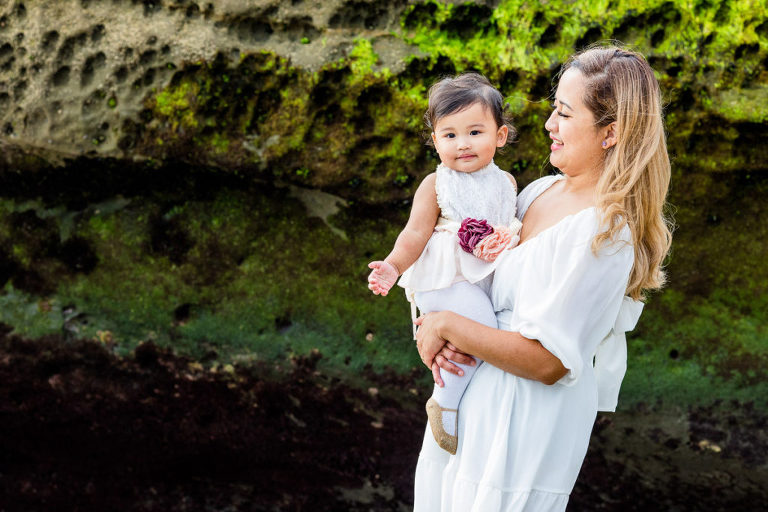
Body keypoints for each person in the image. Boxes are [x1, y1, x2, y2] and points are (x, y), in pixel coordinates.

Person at [412, 44, 673, 511]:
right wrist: (430, 327)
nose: (550, 125)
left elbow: (549, 361)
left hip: (524, 421)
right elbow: (470, 274)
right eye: (554, 110)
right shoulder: (536, 192)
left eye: (565, 114)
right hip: (469, 404)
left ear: (610, 132)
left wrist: (448, 326)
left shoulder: (605, 231)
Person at [367, 73, 522, 455]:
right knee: (482, 331)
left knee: (482, 338)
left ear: (500, 136)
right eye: (450, 135)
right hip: (444, 278)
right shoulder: (436, 183)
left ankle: (464, 404)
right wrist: (393, 266)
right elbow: (414, 234)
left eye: (474, 132)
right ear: (435, 141)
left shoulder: (507, 182)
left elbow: (511, 226)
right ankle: (444, 402)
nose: (462, 144)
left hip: (480, 276)